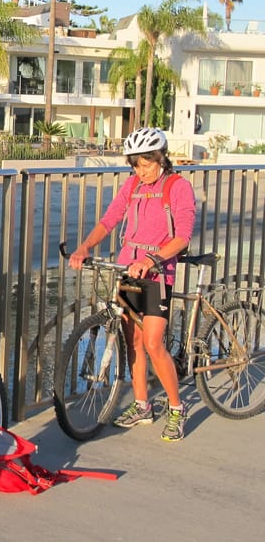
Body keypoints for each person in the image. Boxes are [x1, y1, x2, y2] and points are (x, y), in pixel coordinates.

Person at [68, 127, 196, 442]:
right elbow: (109, 220)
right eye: (136, 164)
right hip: (129, 270)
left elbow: (182, 236)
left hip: (157, 274)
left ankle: (177, 410)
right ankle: (142, 406)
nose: (142, 170)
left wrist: (152, 260)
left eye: (147, 163)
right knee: (133, 342)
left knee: (153, 343)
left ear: (161, 158)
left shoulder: (178, 187)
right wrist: (85, 247)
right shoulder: (133, 185)